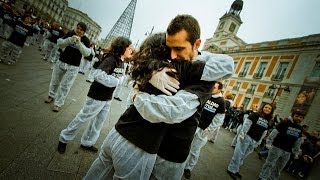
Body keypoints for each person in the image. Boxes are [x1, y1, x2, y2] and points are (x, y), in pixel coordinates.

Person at [84, 28, 233, 180]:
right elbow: (227, 65)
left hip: (120, 130)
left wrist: (138, 92)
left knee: (98, 170)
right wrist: (139, 94)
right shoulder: (178, 69)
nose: (177, 53)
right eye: (175, 48)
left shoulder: (148, 67)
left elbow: (226, 64)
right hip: (140, 144)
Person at [57, 37, 133, 154]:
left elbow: (117, 77)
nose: (131, 50)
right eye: (129, 47)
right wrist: (116, 81)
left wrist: (117, 81)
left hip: (107, 97)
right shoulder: (111, 59)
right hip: (96, 96)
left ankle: (87, 142)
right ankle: (64, 138)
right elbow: (98, 74)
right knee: (83, 117)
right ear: (122, 48)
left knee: (98, 122)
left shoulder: (122, 62)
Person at [44, 22, 91, 112]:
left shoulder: (86, 40)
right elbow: (59, 43)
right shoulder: (70, 33)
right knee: (55, 80)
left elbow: (87, 53)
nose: (79, 31)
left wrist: (80, 44)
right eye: (78, 28)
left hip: (74, 66)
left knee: (65, 85)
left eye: (81, 30)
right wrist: (69, 40)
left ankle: (58, 103)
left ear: (84, 32)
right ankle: (51, 96)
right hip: (62, 61)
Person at [183, 81, 226, 179]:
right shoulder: (207, 94)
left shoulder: (221, 101)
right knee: (186, 144)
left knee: (195, 150)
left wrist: (209, 129)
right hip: (194, 124)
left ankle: (188, 168)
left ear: (219, 89)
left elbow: (219, 118)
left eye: (214, 87)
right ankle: (181, 163)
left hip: (204, 129)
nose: (212, 88)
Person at [227, 103, 274, 180]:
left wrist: (259, 141)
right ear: (262, 107)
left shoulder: (269, 120)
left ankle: (236, 169)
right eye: (266, 107)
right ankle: (231, 169)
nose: (267, 109)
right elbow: (247, 124)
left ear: (271, 111)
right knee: (239, 154)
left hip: (255, 140)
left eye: (269, 108)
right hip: (247, 136)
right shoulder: (255, 114)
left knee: (244, 156)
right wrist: (242, 134)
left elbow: (265, 132)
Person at [258, 109, 306, 180]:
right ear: (293, 116)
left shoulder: (300, 128)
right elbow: (274, 132)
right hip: (277, 147)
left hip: (287, 151)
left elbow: (298, 141)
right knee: (270, 163)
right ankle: (263, 177)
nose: (298, 118)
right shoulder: (285, 122)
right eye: (297, 116)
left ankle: (273, 178)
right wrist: (269, 142)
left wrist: (296, 152)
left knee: (279, 167)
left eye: (301, 117)